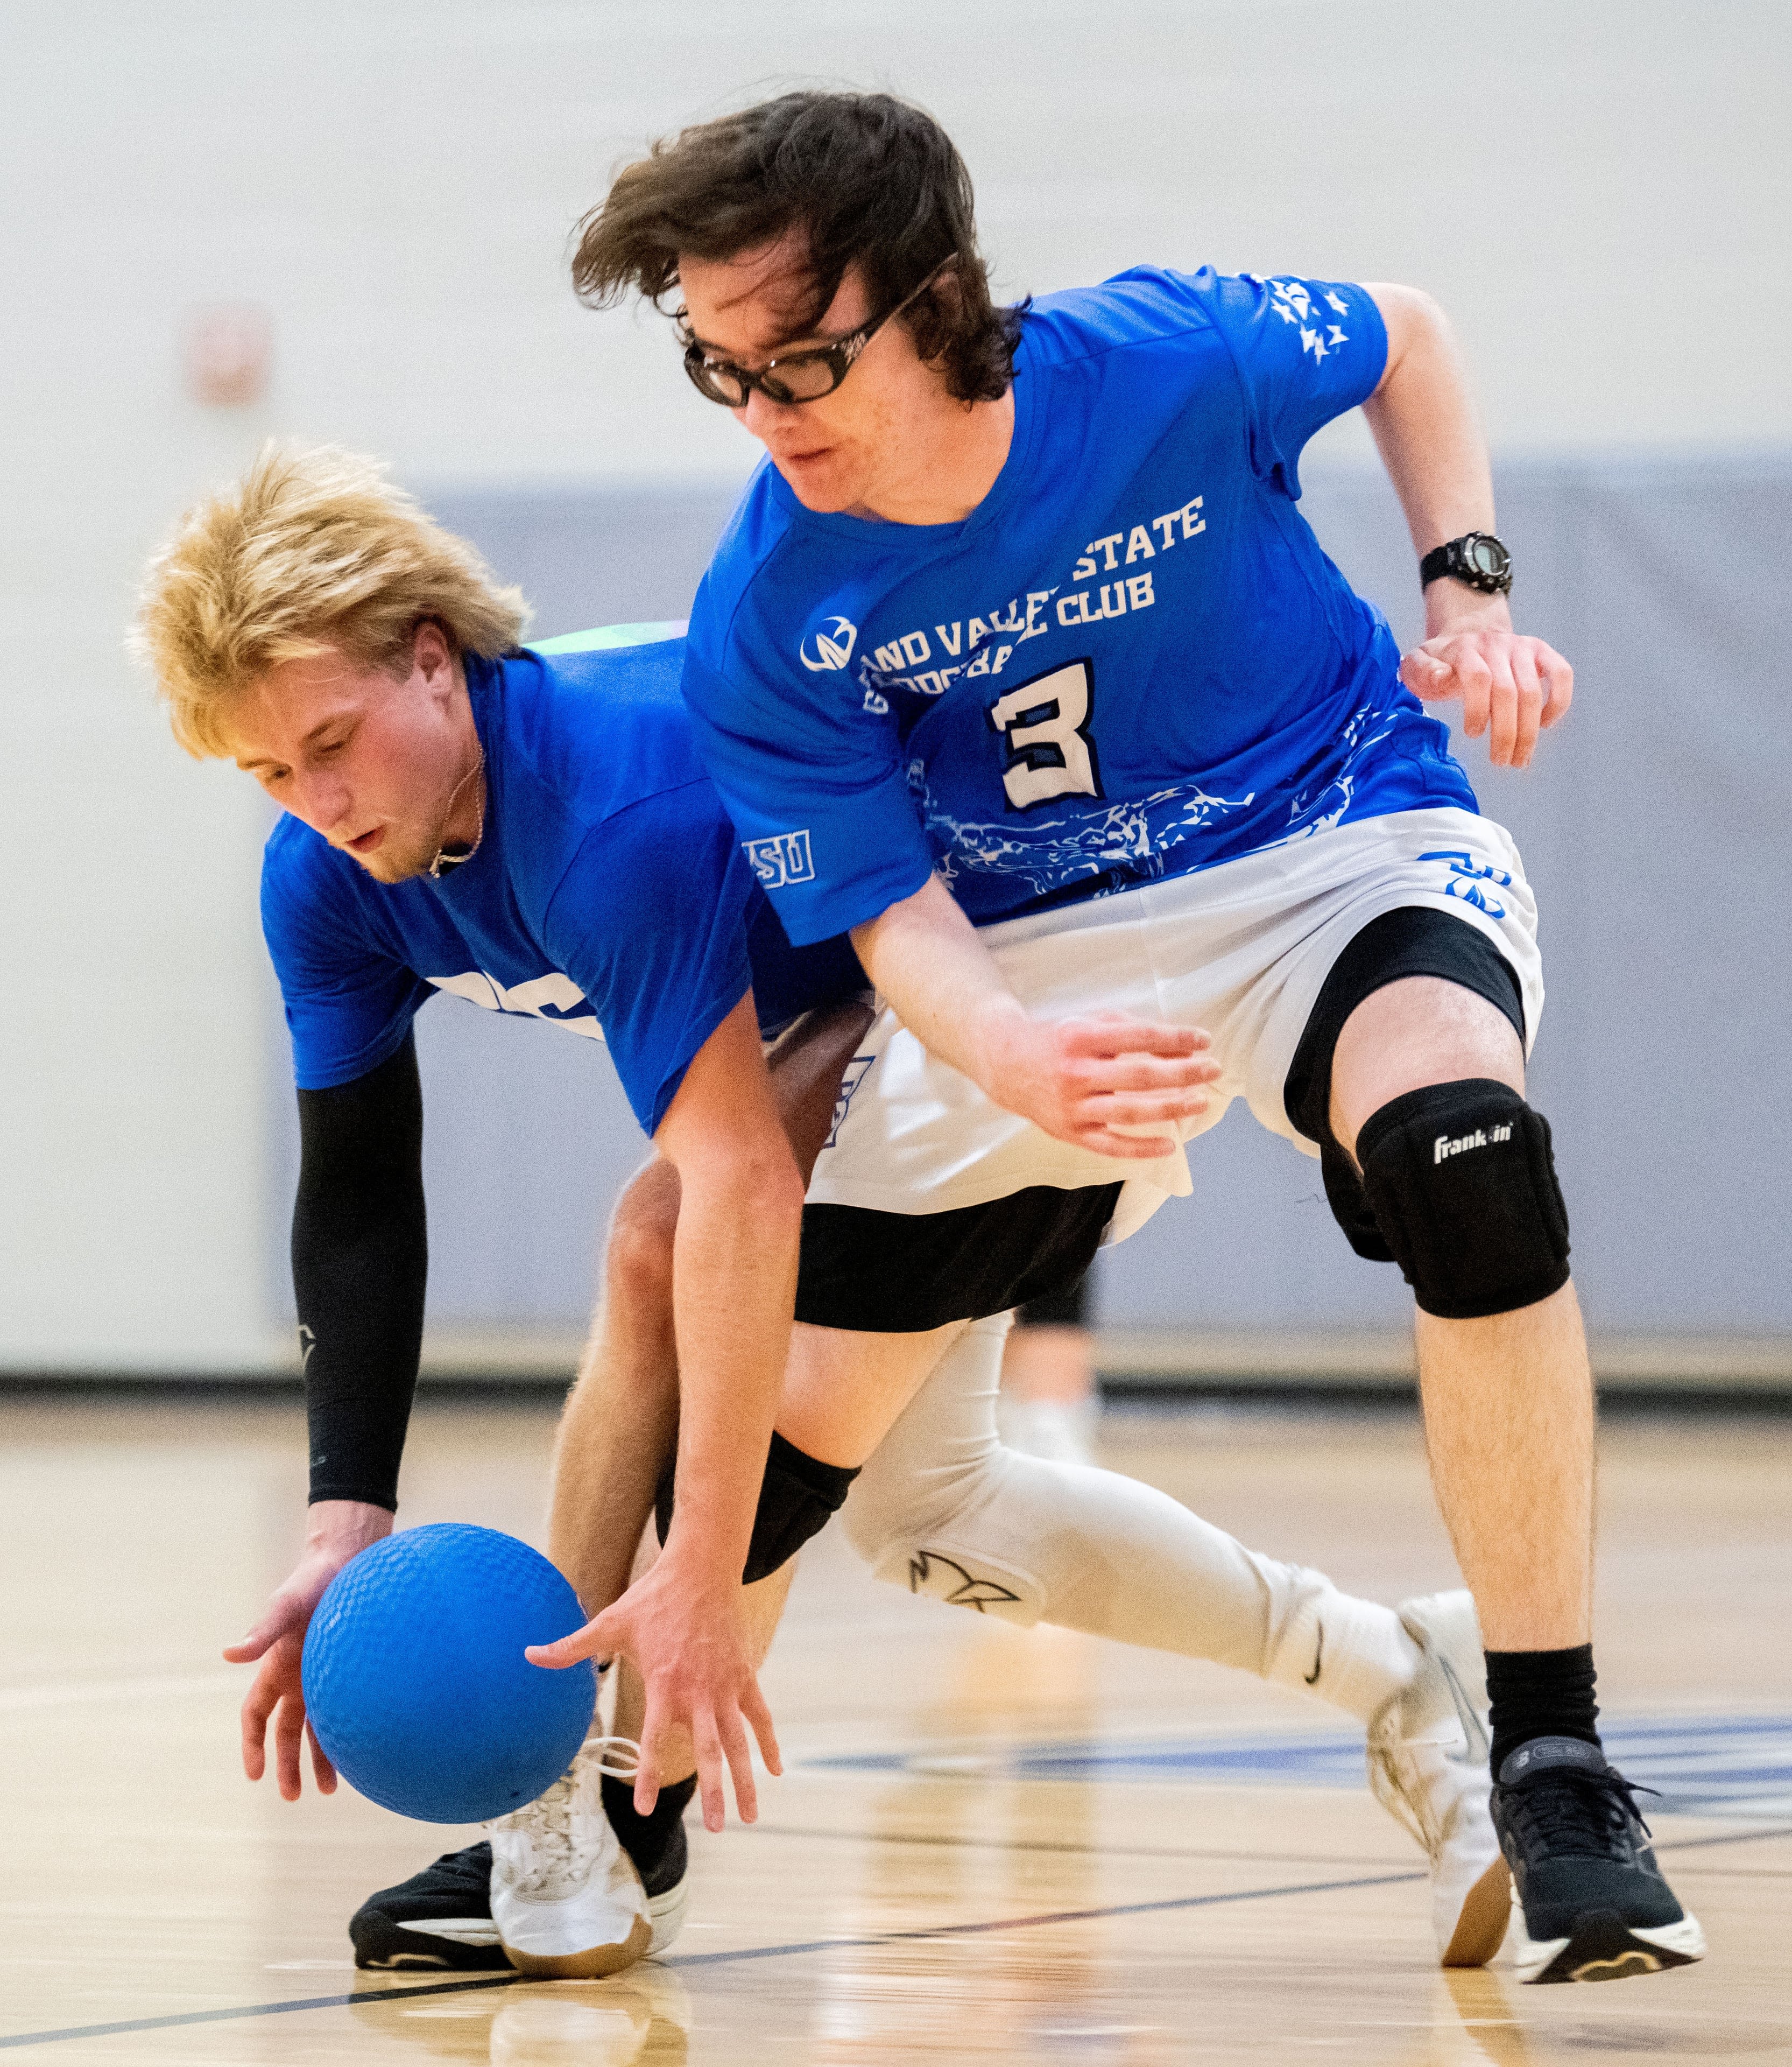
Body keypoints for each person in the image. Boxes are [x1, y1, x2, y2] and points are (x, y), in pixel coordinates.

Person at [568, 88, 1702, 1986]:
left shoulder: (1165, 355)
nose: (768, 420)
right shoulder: (770, 611)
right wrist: (1008, 1052)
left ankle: (1555, 1750)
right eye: (720, 377)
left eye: (805, 362)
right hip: (1028, 951)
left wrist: (1467, 584)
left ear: (931, 294)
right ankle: (624, 1820)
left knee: (1465, 1157)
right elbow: (889, 913)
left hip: (1330, 840)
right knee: (788, 1434)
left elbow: (1405, 331)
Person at [133, 446, 1507, 1987]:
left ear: (435, 661)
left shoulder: (605, 800)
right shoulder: (321, 881)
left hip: (1023, 1006)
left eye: (331, 741)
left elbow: (731, 1189)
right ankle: (1400, 1667)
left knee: (658, 1243)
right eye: (268, 775)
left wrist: (699, 1576)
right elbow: (361, 1189)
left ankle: (568, 1801)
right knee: (940, 1518)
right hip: (877, 1050)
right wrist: (344, 1519)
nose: (316, 803)